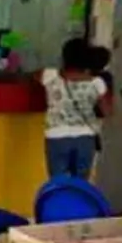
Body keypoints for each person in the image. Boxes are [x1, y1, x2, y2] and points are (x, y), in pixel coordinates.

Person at [39, 39, 112, 179]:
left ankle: (59, 201)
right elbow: (107, 111)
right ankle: (76, 201)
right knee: (80, 185)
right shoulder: (97, 83)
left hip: (56, 137)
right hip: (85, 138)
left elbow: (28, 77)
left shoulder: (50, 76)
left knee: (58, 183)